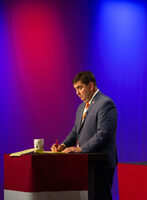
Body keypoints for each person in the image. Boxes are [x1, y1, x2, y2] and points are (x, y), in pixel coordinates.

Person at [51, 71, 118, 200]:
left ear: (91, 86)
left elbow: (103, 134)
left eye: (80, 88)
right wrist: (63, 145)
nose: (77, 92)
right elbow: (75, 131)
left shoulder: (105, 103)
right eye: (76, 89)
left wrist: (80, 149)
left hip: (101, 164)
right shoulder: (81, 107)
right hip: (85, 163)